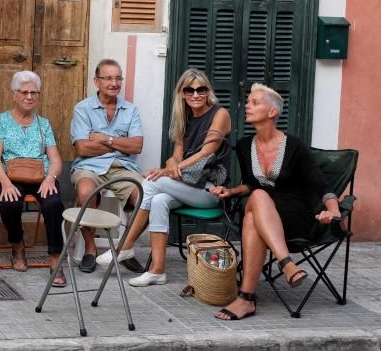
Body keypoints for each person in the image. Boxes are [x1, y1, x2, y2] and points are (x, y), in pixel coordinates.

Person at [212, 84, 342, 321]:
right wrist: (230, 191)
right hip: (263, 213)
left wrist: (333, 211)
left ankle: (247, 299)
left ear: (272, 112)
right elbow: (250, 184)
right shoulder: (244, 146)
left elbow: (322, 186)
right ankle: (285, 266)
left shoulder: (294, 146)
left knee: (253, 214)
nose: (247, 106)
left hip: (294, 218)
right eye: (248, 102)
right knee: (257, 199)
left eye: (254, 102)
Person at [97, 68, 231, 286]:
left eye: (201, 89)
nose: (195, 94)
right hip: (187, 186)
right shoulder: (184, 118)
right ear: (182, 94)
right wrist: (170, 166)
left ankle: (124, 246)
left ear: (208, 91)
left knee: (151, 183)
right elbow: (176, 156)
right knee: (159, 200)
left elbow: (206, 152)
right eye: (189, 90)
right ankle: (157, 270)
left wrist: (168, 171)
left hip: (211, 190)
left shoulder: (220, 114)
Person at [0, 71, 66, 285]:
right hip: (10, 176)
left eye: (34, 93)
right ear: (14, 94)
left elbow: (56, 159)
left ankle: (55, 259)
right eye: (24, 92)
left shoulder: (44, 124)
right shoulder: (1, 121)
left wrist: (50, 178)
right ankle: (17, 245)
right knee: (10, 203)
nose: (29, 97)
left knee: (53, 204)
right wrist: (5, 183)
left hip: (41, 176)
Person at [69, 59, 144, 274]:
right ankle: (90, 248)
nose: (114, 83)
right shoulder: (83, 108)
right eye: (108, 78)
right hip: (89, 166)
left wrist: (105, 139)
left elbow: (137, 146)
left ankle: (123, 248)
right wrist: (121, 144)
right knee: (85, 192)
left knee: (147, 197)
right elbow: (83, 148)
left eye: (118, 78)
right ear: (97, 81)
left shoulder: (130, 110)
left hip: (123, 167)